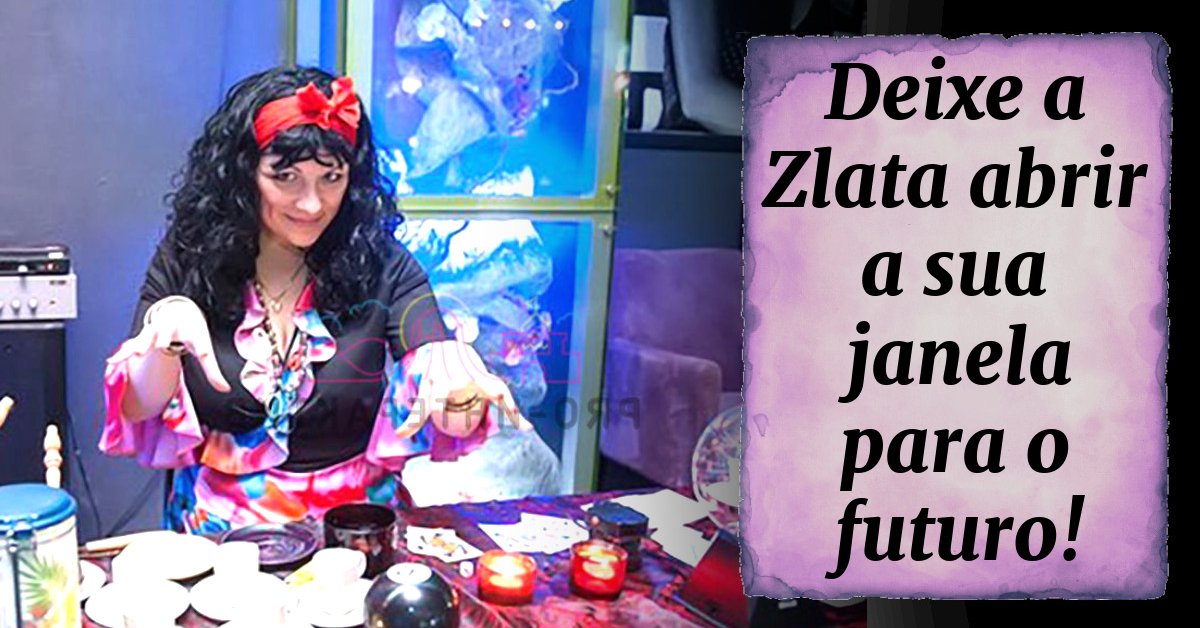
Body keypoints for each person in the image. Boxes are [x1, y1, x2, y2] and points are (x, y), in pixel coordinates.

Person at [100, 66, 532, 534]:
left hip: (355, 536)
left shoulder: (381, 264)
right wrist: (165, 344)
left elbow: (452, 411)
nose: (311, 203)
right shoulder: (190, 258)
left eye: (331, 177)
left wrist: (458, 386)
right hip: (220, 541)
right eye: (285, 176)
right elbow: (139, 407)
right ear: (243, 174)